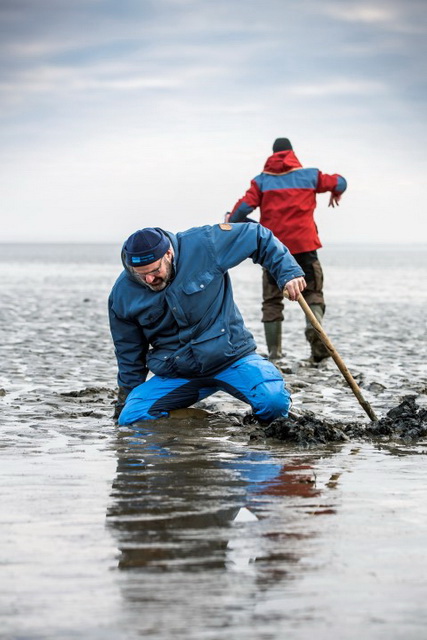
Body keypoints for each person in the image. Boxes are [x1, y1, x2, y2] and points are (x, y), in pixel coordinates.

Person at [108, 223, 306, 425]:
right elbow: (129, 356)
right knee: (131, 418)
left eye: (154, 270)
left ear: (168, 253)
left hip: (232, 358)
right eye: (141, 274)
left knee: (273, 404)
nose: (149, 279)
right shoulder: (122, 295)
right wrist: (123, 407)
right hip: (179, 373)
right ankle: (201, 422)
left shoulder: (204, 244)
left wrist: (288, 273)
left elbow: (257, 236)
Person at [226, 137, 347, 363]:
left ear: (271, 155)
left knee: (272, 301)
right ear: (292, 153)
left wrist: (247, 224)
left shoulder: (261, 182)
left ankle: (275, 354)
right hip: (306, 247)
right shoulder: (310, 176)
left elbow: (239, 213)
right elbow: (341, 182)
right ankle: (315, 330)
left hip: (274, 251)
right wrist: (335, 192)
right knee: (312, 293)